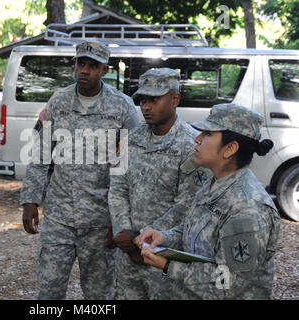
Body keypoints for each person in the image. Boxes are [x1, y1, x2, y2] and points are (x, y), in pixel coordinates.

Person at [20, 41, 141, 299]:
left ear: (105, 70)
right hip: (59, 219)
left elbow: (134, 166)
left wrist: (121, 222)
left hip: (101, 222)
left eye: (92, 66)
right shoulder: (58, 102)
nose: (84, 71)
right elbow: (41, 154)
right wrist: (30, 199)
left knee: (99, 295)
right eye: (81, 64)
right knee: (49, 291)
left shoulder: (123, 107)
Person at [137, 103, 280, 299]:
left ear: (230, 148)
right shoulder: (216, 181)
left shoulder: (246, 208)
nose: (196, 139)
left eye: (206, 134)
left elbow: (227, 283)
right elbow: (194, 230)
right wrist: (165, 237)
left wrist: (168, 266)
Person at [108, 68, 209, 299]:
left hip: (165, 257)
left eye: (154, 99)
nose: (146, 106)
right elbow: (117, 188)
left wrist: (139, 238)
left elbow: (187, 205)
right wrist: (124, 232)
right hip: (127, 255)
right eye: (143, 99)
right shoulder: (131, 139)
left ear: (174, 99)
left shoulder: (191, 145)